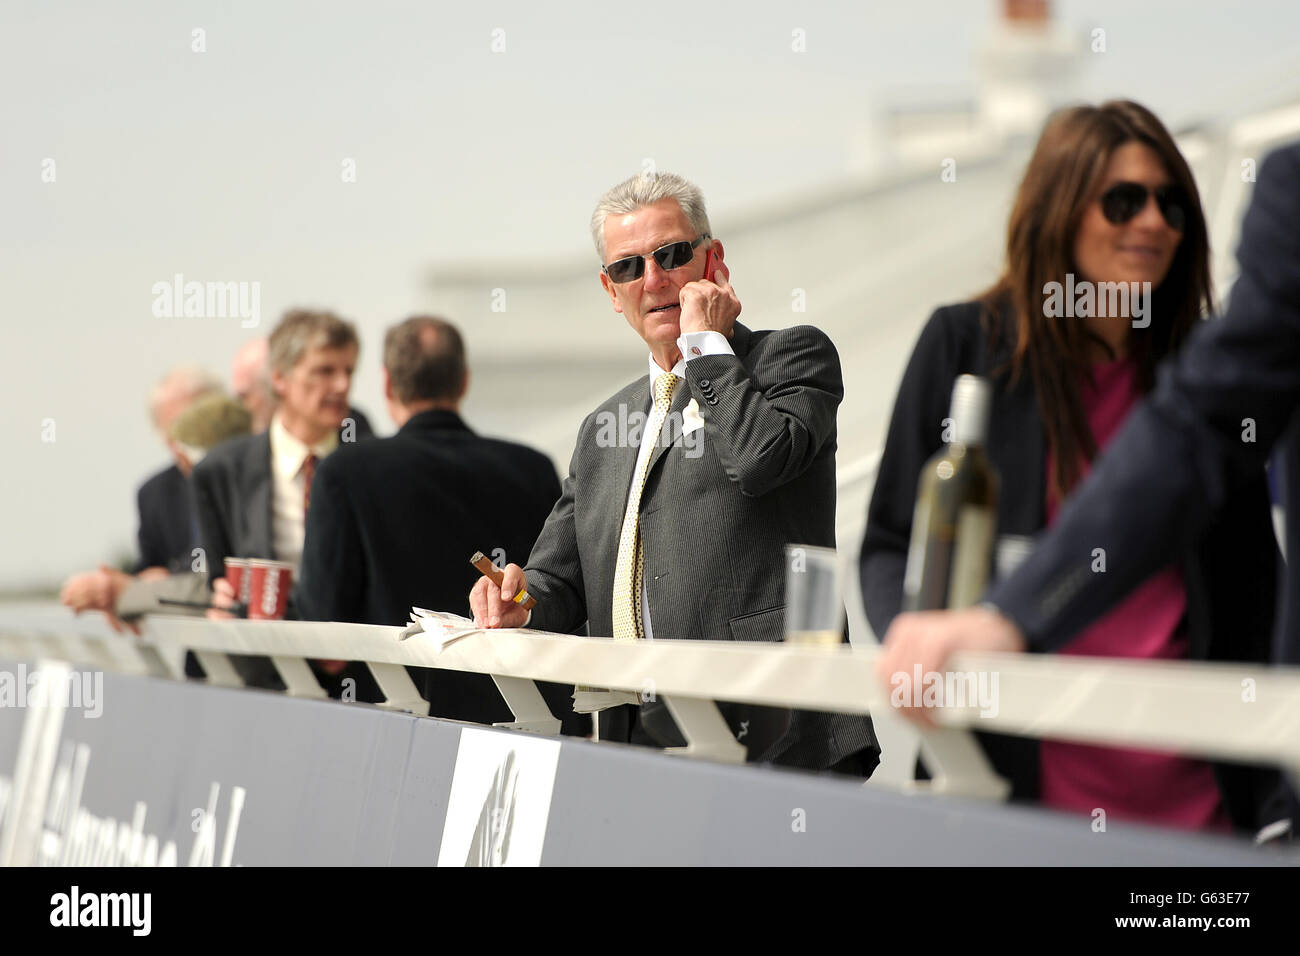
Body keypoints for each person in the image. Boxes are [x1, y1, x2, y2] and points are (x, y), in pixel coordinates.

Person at [865, 102, 1288, 833]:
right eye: (1123, 201)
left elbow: (1255, 588)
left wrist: (1275, 801)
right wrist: (926, 643)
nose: (1153, 222)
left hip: (1201, 799)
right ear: (1057, 210)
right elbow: (888, 541)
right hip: (1018, 780)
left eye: (1173, 203)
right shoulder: (964, 344)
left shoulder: (1211, 378)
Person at [470, 171, 878, 775]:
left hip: (779, 731)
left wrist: (707, 346)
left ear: (713, 260)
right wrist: (518, 601)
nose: (654, 280)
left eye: (671, 255)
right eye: (630, 267)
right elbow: (559, 580)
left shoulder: (792, 357)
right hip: (635, 740)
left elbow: (759, 458)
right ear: (611, 291)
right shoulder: (604, 426)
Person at [294, 316, 585, 732]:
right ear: (463, 382)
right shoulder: (533, 468)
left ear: (388, 385)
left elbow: (324, 632)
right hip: (525, 721)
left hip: (399, 723)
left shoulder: (345, 472)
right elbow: (552, 595)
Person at [194, 309, 368, 686]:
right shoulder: (221, 471)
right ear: (279, 378)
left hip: (363, 678)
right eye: (324, 371)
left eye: (349, 371)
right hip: (262, 678)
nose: (341, 385)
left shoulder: (373, 463)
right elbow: (210, 579)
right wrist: (217, 597)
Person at [60, 365, 222, 629]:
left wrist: (125, 593)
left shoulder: (247, 476)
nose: (184, 442)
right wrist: (125, 593)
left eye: (194, 425)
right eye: (174, 431)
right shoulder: (154, 494)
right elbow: (147, 572)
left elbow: (215, 577)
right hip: (196, 657)